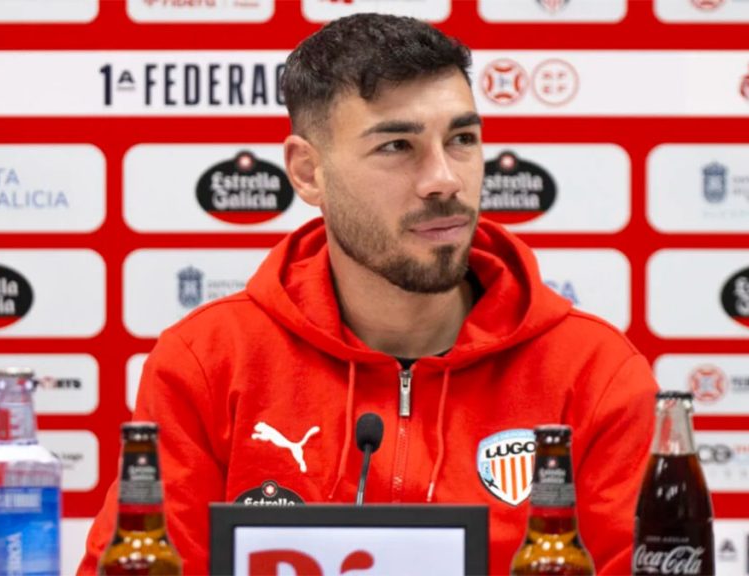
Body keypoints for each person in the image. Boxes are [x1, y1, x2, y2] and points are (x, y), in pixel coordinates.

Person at [80, 13, 657, 575]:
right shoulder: (207, 363)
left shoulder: (594, 374)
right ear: (308, 173)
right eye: (397, 147)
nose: (445, 179)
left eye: (462, 139)